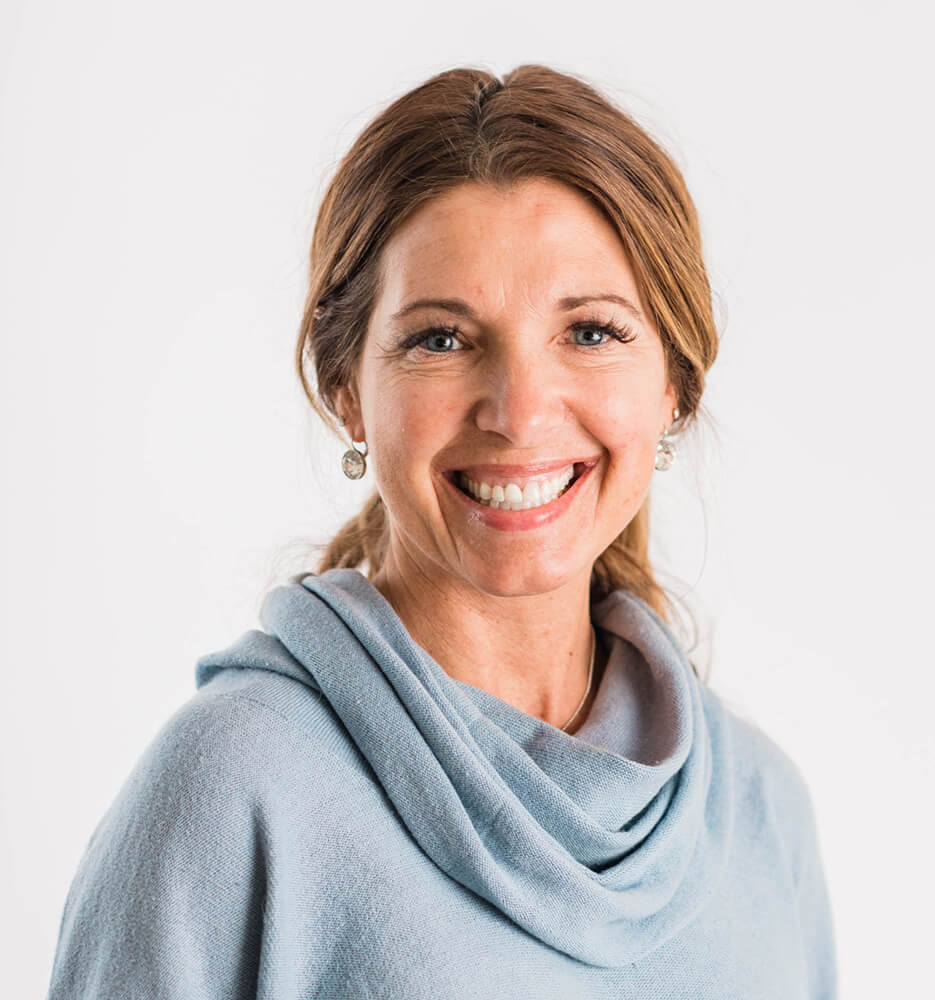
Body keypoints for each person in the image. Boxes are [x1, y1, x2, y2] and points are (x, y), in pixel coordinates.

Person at [46, 64, 838, 998]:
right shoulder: (233, 792)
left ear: (672, 384)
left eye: (589, 332)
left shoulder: (758, 810)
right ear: (347, 391)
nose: (520, 411)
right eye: (441, 340)